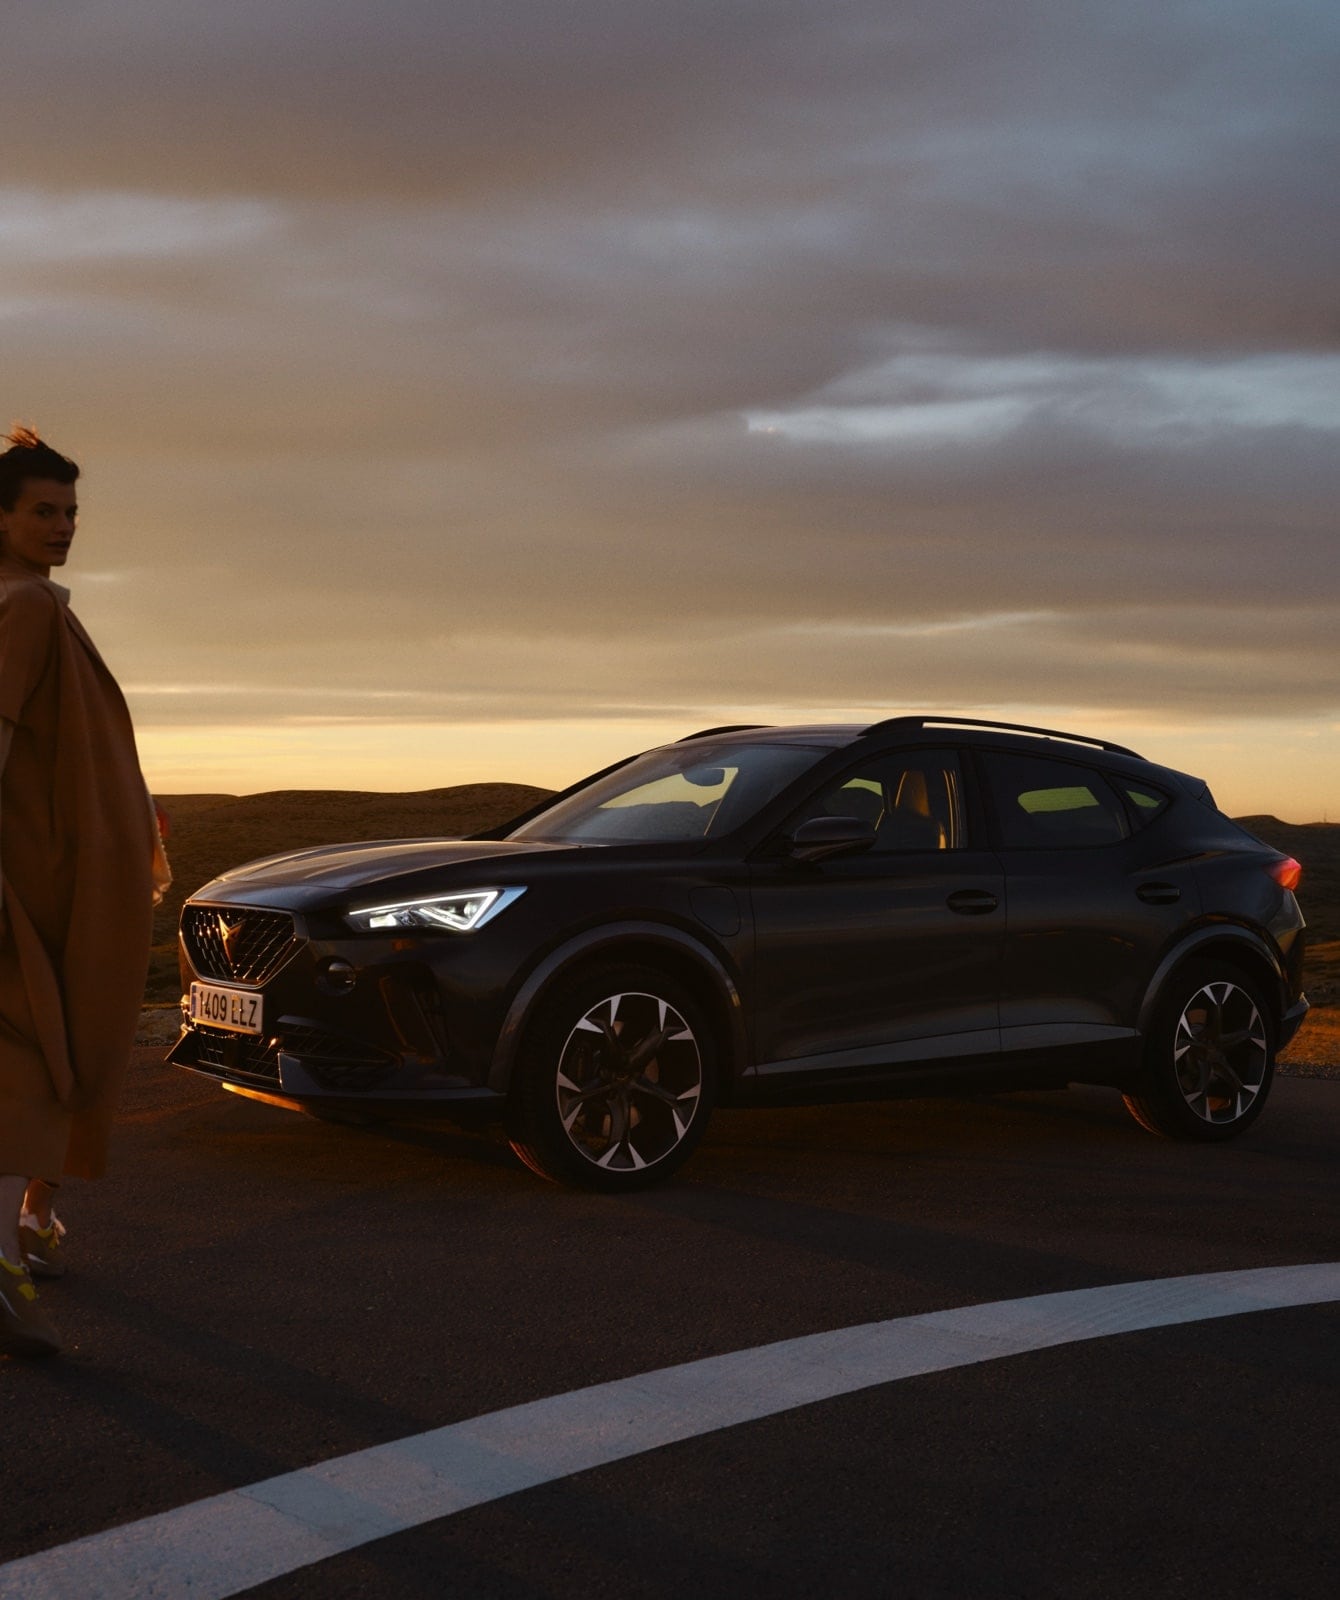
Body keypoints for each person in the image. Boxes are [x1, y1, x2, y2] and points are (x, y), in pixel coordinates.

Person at [0, 427, 170, 1358]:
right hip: (43, 890)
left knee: (56, 1059)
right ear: (1, 519)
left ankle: (32, 1223)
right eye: (43, 511)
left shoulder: (36, 602)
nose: (63, 526)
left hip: (64, 881)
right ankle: (9, 1261)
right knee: (38, 1064)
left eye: (70, 511)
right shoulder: (25, 606)